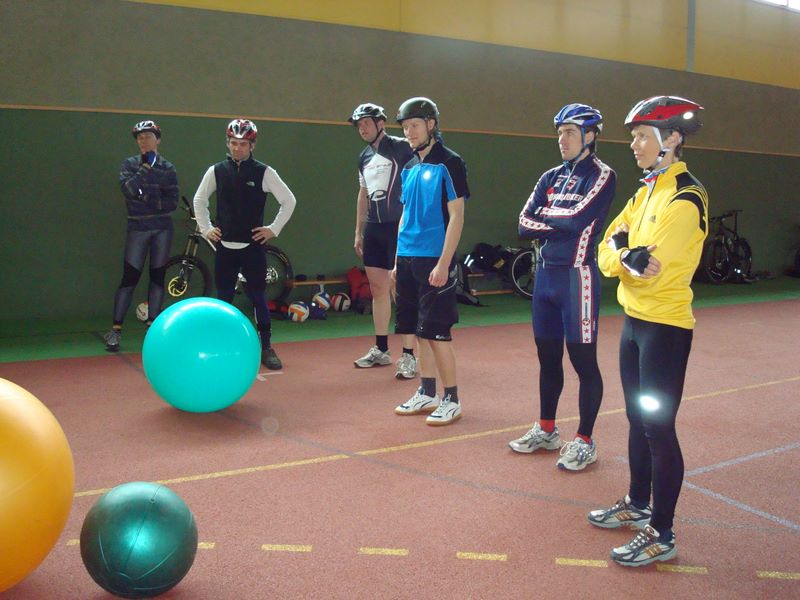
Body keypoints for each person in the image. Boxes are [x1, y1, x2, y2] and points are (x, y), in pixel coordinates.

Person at [589, 96, 708, 567]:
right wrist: (625, 254)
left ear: (671, 138)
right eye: (634, 136)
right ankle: (638, 503)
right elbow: (606, 249)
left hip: (665, 329)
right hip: (634, 324)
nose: (634, 144)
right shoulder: (645, 192)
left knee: (658, 428)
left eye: (642, 136)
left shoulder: (685, 197)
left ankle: (662, 532)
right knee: (636, 420)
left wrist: (625, 254)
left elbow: (652, 273)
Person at [509, 104, 616, 471]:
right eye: (559, 133)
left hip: (577, 278)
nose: (562, 139)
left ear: (590, 135)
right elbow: (523, 224)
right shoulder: (550, 176)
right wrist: (559, 223)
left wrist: (548, 218)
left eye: (570, 132)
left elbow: (578, 219)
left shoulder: (603, 176)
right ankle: (547, 429)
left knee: (583, 362)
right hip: (545, 279)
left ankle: (585, 440)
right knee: (548, 358)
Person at [193, 119, 297, 370]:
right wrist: (206, 229)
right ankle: (223, 347)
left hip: (252, 248)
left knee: (259, 297)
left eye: (243, 144)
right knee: (224, 300)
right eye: (233, 143)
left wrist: (273, 229)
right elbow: (199, 200)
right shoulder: (216, 171)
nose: (237, 148)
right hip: (225, 249)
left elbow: (289, 200)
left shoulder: (264, 172)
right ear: (227, 143)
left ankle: (266, 347)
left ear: (252, 145)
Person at [391, 97, 469, 426]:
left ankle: (452, 399)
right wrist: (397, 260)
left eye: (415, 125)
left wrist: (444, 263)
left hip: (434, 259)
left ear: (431, 125)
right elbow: (405, 214)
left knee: (437, 333)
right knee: (418, 331)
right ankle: (427, 391)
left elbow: (457, 215)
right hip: (407, 257)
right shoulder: (409, 166)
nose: (409, 132)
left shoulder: (450, 162)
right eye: (405, 127)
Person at [349, 103, 418, 379]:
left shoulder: (402, 148)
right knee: (378, 288)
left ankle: (409, 355)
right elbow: (363, 194)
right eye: (359, 125)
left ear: (381, 123)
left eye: (366, 122)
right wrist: (359, 231)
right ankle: (381, 349)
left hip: (399, 228)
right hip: (374, 230)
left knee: (400, 288)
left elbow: (418, 183)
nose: (362, 128)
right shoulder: (363, 157)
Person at [104, 120, 179, 352]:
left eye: (147, 136)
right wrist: (145, 169)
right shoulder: (130, 164)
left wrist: (144, 198)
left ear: (158, 139)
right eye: (139, 137)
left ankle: (152, 330)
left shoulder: (168, 168)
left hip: (162, 229)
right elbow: (128, 190)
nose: (143, 141)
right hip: (137, 228)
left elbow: (172, 202)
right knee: (129, 278)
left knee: (157, 278)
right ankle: (115, 330)